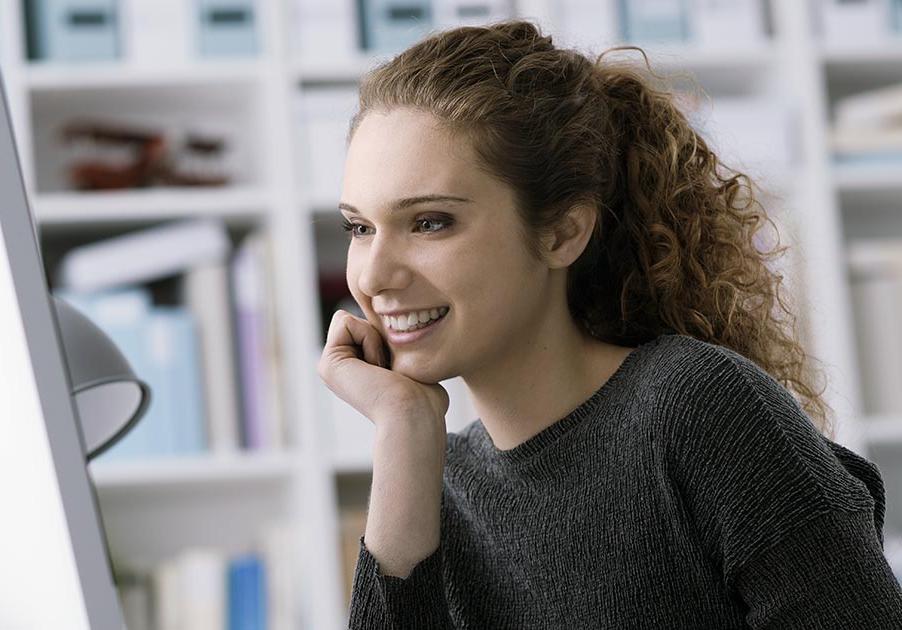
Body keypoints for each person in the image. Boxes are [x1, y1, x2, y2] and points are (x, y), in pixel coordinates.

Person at [316, 20, 902, 629]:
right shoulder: (432, 484)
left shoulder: (698, 408)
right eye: (359, 228)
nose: (375, 274)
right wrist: (403, 430)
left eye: (430, 222)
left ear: (563, 231)